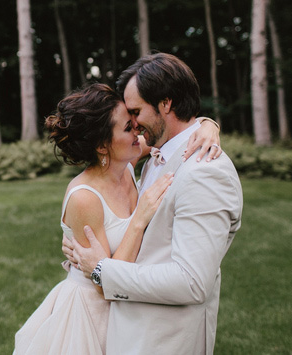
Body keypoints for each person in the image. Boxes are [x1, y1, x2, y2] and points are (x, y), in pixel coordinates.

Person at [13, 82, 222, 354]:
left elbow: (176, 134)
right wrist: (139, 220)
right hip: (92, 314)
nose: (137, 129)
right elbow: (103, 283)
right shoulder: (84, 197)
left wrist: (208, 126)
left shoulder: (126, 161)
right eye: (127, 126)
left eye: (133, 120)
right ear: (102, 146)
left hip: (129, 308)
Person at [65, 53, 243, 354]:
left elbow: (191, 282)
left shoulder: (204, 173)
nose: (133, 125)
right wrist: (207, 123)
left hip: (163, 339)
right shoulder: (160, 150)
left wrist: (100, 269)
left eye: (135, 111)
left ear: (166, 104)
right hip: (130, 329)